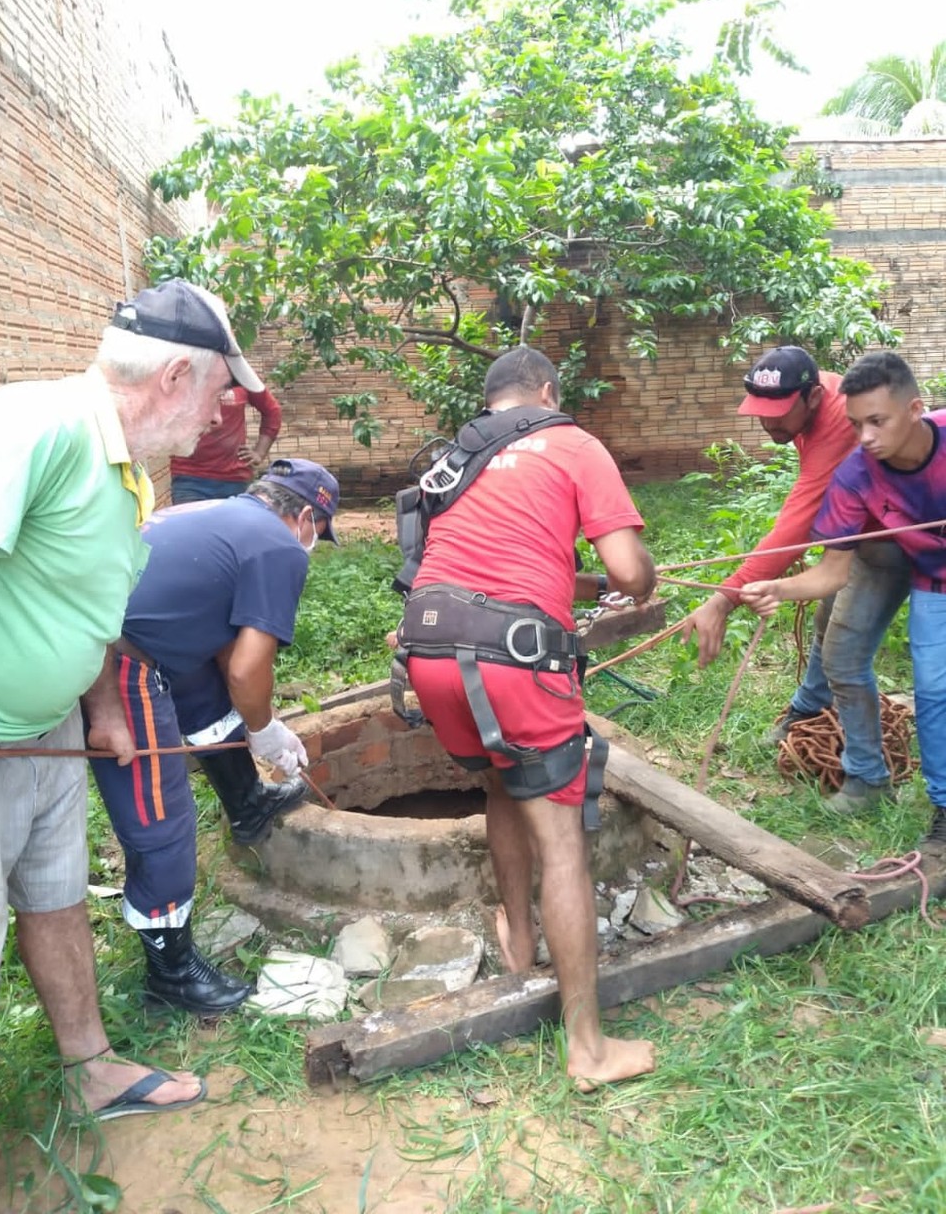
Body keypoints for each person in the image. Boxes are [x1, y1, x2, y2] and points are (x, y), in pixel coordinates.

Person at [0, 277, 265, 1212]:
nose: (222, 412)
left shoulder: (129, 469)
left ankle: (92, 1067)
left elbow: (89, 604)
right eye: (220, 391)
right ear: (175, 374)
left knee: (54, 903)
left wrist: (99, 708)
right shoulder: (37, 426)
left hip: (43, 734)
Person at [398, 348, 657, 1089]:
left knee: (501, 785)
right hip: (514, 659)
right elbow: (626, 573)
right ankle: (589, 1048)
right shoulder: (574, 443)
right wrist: (640, 569)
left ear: (492, 403)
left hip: (429, 653)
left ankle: (517, 943)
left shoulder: (453, 459)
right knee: (563, 846)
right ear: (546, 391)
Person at [88, 459, 340, 1017]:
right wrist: (263, 728)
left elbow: (223, 643)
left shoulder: (213, 512)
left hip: (122, 638)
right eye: (319, 534)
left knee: (205, 692)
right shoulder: (276, 546)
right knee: (161, 819)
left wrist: (253, 722)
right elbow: (249, 671)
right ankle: (171, 974)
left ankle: (247, 803)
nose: (313, 545)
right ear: (303, 518)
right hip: (116, 667)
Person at [681, 346, 911, 808]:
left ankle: (868, 778)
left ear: (810, 398)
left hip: (892, 543)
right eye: (761, 413)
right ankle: (808, 710)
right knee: (829, 626)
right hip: (853, 537)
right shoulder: (814, 398)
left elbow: (796, 527)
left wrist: (724, 599)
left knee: (845, 654)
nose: (769, 424)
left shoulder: (838, 424)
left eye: (779, 414)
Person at [738, 351, 946, 844]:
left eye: (878, 421)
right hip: (932, 583)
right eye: (857, 425)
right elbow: (832, 572)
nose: (866, 437)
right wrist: (775, 587)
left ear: (915, 410)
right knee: (934, 691)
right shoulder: (855, 475)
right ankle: (941, 808)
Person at [169, 378, 284, 505]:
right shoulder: (183, 372)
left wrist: (259, 452)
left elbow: (272, 411)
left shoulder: (239, 373)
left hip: (234, 478)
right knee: (191, 524)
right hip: (189, 477)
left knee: (233, 525)